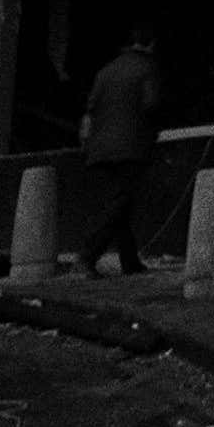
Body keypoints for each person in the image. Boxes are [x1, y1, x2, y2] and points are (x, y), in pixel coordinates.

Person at [76, 23, 163, 276]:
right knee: (119, 204)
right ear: (152, 43)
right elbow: (151, 104)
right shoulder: (147, 67)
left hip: (100, 149)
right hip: (131, 147)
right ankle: (87, 256)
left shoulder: (107, 70)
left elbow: (90, 109)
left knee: (119, 203)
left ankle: (130, 261)